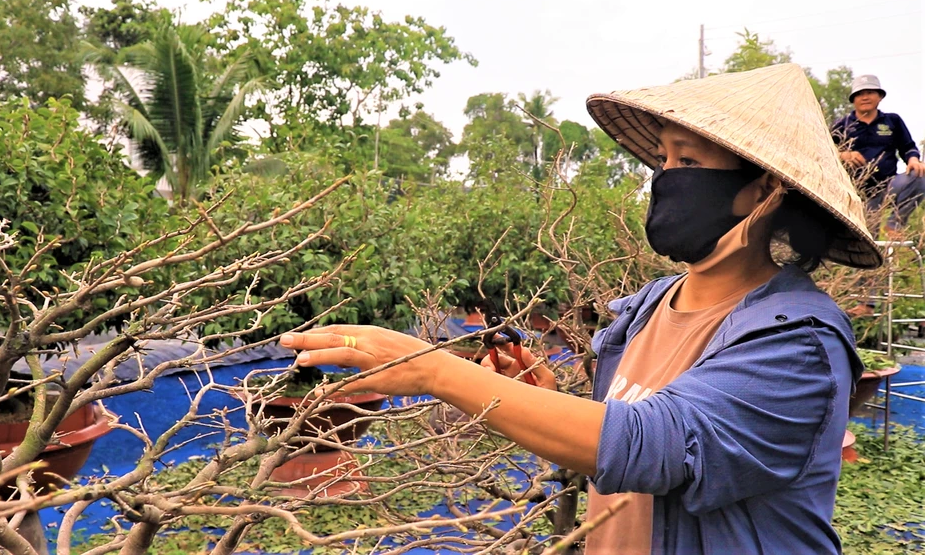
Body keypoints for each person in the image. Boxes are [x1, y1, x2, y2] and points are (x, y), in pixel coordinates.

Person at [280, 63, 882, 554]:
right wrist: (547, 403)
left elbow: (656, 443)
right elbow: (613, 444)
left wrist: (435, 370)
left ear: (764, 191)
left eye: (691, 162)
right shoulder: (647, 310)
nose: (667, 177)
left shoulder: (799, 342)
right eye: (665, 160)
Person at [831, 74, 925, 235]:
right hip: (855, 193)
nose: (865, 97)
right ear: (853, 99)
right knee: (868, 238)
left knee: (920, 176)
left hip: (888, 185)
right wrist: (842, 155)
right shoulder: (842, 125)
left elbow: (908, 147)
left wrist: (914, 159)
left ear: (880, 96)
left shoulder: (892, 121)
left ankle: (895, 225)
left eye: (870, 92)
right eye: (860, 94)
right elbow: (822, 151)